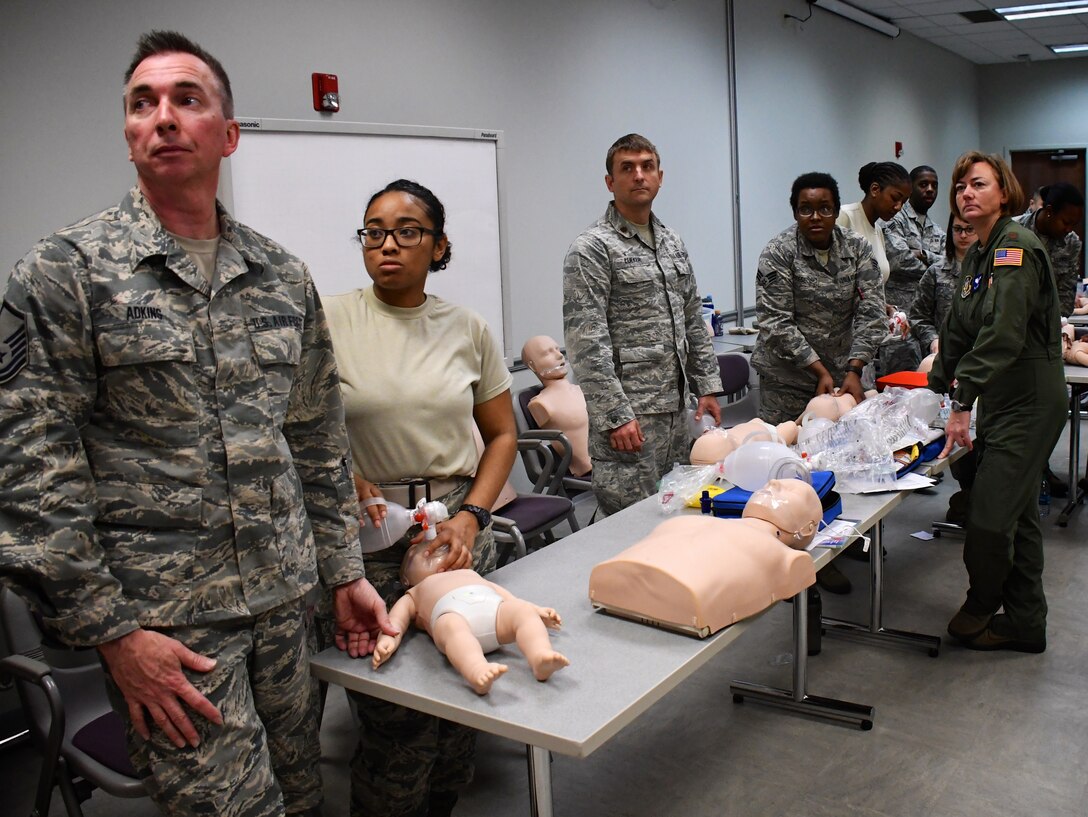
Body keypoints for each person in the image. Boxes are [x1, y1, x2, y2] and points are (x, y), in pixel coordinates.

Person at [0, 31, 393, 817]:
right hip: (168, 624)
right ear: (127, 132)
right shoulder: (68, 270)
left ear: (229, 134)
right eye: (143, 103)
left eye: (187, 99)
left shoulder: (281, 274)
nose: (163, 117)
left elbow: (316, 434)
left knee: (304, 794)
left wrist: (344, 571)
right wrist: (114, 633)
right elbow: (33, 469)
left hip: (286, 598)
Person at [322, 178, 517, 817]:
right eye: (373, 230)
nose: (387, 244)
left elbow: (502, 434)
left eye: (408, 231)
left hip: (454, 534)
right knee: (394, 715)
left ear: (438, 247)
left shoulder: (467, 328)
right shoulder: (327, 321)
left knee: (461, 699)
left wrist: (472, 516)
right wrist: (343, 475)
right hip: (369, 539)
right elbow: (295, 428)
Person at [929, 151, 1066, 654]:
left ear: (1003, 193)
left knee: (987, 516)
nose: (966, 193)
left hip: (1029, 398)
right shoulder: (980, 254)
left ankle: (983, 602)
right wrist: (930, 389)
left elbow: (1004, 334)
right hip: (1004, 400)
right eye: (961, 185)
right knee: (1019, 513)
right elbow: (959, 329)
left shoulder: (1016, 247)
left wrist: (962, 399)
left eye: (979, 184)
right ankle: (1027, 622)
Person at [563, 133, 722, 517]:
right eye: (627, 168)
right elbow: (587, 343)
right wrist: (616, 416)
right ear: (610, 182)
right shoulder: (593, 247)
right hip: (630, 421)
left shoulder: (672, 242)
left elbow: (692, 321)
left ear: (660, 176)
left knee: (681, 515)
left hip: (676, 414)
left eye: (647, 166)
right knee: (630, 525)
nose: (639, 175)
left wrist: (708, 387)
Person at [753, 172, 886, 596]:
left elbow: (872, 313)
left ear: (835, 210)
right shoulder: (778, 253)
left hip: (842, 379)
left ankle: (835, 540)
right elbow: (775, 322)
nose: (816, 217)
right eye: (806, 209)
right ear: (795, 212)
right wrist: (818, 370)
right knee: (790, 474)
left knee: (836, 465)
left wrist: (854, 367)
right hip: (788, 380)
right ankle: (802, 565)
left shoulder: (857, 249)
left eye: (824, 208)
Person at [372, 542, 569, 695]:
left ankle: (540, 656)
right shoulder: (414, 593)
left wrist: (536, 610)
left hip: (494, 612)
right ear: (406, 578)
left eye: (442, 549)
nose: (436, 554)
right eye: (423, 555)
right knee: (452, 629)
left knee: (522, 611)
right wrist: (387, 640)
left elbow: (509, 597)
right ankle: (476, 670)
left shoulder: (469, 573)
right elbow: (395, 621)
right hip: (452, 614)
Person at [909, 213, 978, 526]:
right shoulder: (936, 272)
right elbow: (918, 317)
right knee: (958, 438)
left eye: (969, 229)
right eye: (957, 229)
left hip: (983, 369)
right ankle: (966, 493)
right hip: (946, 367)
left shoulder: (993, 271)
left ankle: (978, 499)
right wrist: (933, 340)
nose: (963, 235)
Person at [521, 335, 591, 477]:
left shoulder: (580, 391)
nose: (559, 355)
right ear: (532, 365)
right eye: (547, 353)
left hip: (614, 459)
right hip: (589, 467)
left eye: (557, 349)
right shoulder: (540, 404)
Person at [1014, 182, 1085, 317]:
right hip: (1014, 319)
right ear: (1049, 211)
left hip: (1049, 324)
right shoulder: (1014, 231)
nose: (1069, 229)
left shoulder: (1071, 242)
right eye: (1065, 222)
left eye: (1073, 224)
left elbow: (1066, 294)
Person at [836, 161, 912, 284]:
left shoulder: (878, 230)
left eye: (903, 202)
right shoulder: (844, 216)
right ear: (875, 189)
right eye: (895, 198)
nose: (898, 207)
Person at [886, 165, 946, 268]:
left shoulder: (938, 231)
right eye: (923, 185)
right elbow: (899, 261)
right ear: (910, 189)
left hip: (930, 285)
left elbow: (948, 264)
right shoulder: (894, 219)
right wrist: (935, 265)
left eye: (934, 186)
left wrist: (923, 255)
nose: (930, 189)